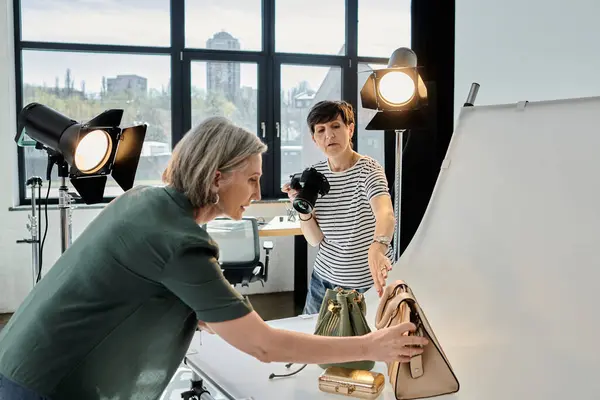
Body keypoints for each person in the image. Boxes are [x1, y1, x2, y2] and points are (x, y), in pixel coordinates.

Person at [0, 116, 427, 400]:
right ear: (217, 176)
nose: (258, 194)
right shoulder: (179, 240)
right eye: (252, 180)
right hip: (46, 384)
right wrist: (375, 345)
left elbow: (138, 287)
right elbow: (263, 345)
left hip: (18, 360)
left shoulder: (144, 202)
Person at [282, 100, 396, 315]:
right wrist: (302, 209)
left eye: (336, 126)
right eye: (321, 130)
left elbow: (385, 213)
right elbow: (314, 239)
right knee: (314, 338)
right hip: (323, 281)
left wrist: (379, 246)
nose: (329, 135)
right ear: (314, 139)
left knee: (362, 342)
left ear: (350, 129)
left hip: (366, 282)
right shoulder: (314, 177)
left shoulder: (369, 169)